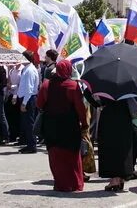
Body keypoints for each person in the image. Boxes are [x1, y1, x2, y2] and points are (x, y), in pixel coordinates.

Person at [36, 59, 88, 192]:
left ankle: (60, 183)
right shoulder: (73, 85)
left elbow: (39, 104)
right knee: (72, 156)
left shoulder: (47, 85)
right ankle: (75, 183)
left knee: (55, 156)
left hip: (51, 125)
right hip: (69, 125)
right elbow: (80, 108)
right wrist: (84, 124)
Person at [17, 50, 39, 154]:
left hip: (29, 99)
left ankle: (32, 145)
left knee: (29, 123)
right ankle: (29, 143)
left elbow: (29, 89)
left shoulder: (29, 70)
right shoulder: (26, 69)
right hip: (26, 98)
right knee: (26, 123)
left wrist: (24, 103)